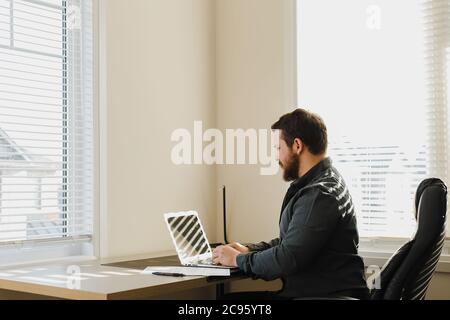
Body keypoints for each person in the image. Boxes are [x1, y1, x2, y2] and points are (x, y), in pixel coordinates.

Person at [212, 108, 369, 300]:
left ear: (297, 145)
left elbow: (288, 258)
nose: (277, 157)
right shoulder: (326, 181)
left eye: (278, 148)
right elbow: (294, 242)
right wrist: (250, 250)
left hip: (323, 296)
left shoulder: (318, 194)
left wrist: (237, 259)